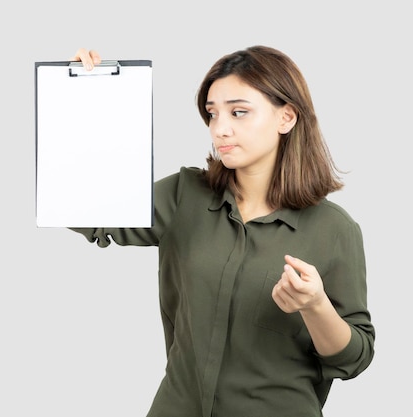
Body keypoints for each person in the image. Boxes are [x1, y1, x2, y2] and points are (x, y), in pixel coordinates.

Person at [65, 46, 375, 417]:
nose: (219, 128)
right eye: (212, 114)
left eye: (238, 112)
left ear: (287, 117)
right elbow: (82, 207)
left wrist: (315, 305)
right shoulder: (184, 195)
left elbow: (354, 358)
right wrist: (82, 100)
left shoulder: (334, 229)